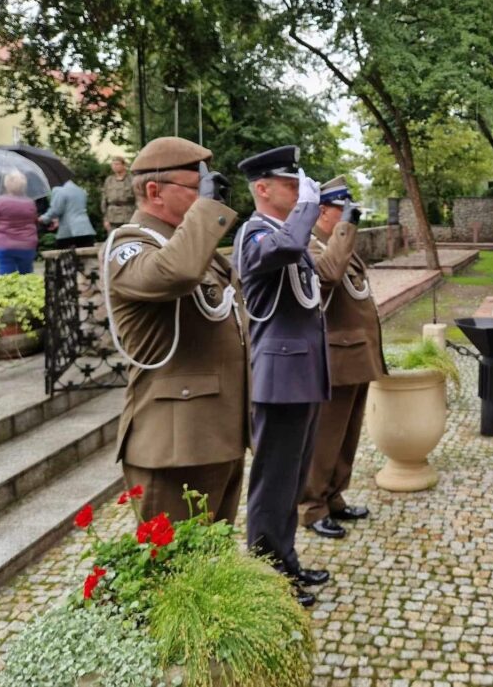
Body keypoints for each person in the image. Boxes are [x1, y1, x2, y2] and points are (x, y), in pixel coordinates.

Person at [102, 136, 248, 527]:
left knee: (211, 566)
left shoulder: (192, 247)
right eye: (196, 188)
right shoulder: (129, 245)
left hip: (217, 432)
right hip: (174, 444)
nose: (207, 197)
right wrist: (209, 209)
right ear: (154, 191)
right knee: (175, 576)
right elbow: (177, 273)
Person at [234, 145, 331, 608]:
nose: (299, 191)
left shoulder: (282, 231)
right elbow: (289, 247)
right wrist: (310, 206)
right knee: (273, 483)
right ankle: (267, 575)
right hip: (280, 378)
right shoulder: (255, 234)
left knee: (291, 480)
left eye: (300, 186)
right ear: (262, 188)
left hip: (302, 374)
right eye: (290, 185)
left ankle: (285, 559)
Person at [300, 176, 386, 540]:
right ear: (323, 211)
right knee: (325, 439)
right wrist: (344, 231)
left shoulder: (337, 242)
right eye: (342, 210)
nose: (349, 217)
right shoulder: (310, 245)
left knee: (347, 436)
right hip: (333, 359)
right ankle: (311, 506)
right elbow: (327, 278)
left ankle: (334, 496)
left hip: (355, 356)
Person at [0, 172, 38, 275]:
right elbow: (35, 221)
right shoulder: (30, 203)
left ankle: (9, 291)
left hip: (4, 244)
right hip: (27, 244)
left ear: (6, 185)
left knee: (6, 276)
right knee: (26, 276)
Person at [40, 179, 96, 249]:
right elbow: (71, 209)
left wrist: (43, 218)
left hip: (69, 231)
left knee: (63, 255)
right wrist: (57, 221)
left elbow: (55, 210)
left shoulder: (61, 191)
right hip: (86, 229)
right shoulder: (80, 191)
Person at [102, 155, 135, 232]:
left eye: (117, 164)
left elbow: (138, 199)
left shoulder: (131, 179)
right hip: (112, 216)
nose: (115, 166)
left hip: (128, 214)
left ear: (123, 165)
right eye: (113, 164)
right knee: (113, 239)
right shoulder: (109, 180)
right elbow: (104, 200)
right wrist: (105, 218)